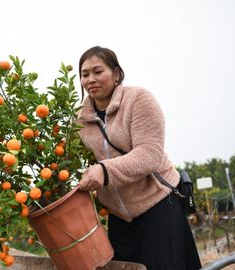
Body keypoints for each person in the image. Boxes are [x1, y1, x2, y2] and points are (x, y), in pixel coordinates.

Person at [77, 46, 202, 270]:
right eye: (85, 74)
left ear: (116, 73)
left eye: (98, 71)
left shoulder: (138, 100)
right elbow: (74, 161)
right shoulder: (80, 121)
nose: (91, 79)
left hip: (157, 205)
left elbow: (150, 154)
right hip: (118, 218)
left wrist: (104, 171)